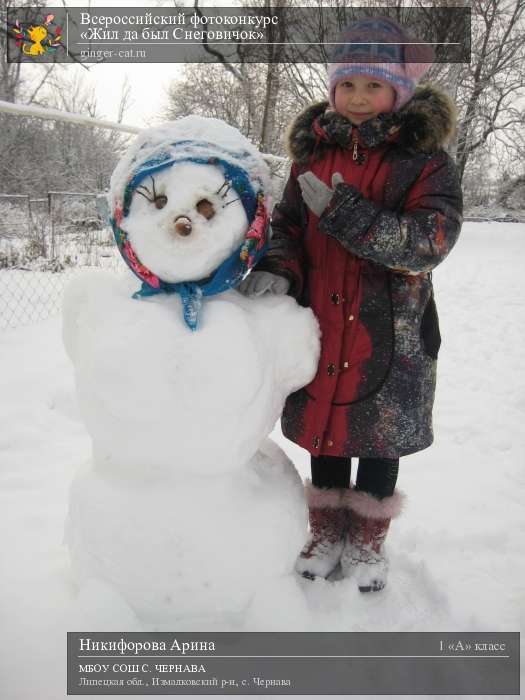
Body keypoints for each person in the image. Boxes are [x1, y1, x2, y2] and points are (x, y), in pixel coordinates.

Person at [238, 16, 463, 592]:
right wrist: (277, 271)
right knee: (325, 431)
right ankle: (325, 531)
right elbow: (286, 227)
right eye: (348, 85)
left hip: (390, 332)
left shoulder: (427, 162)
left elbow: (427, 242)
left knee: (379, 437)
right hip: (321, 322)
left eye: (373, 85)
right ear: (332, 88)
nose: (359, 98)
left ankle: (367, 543)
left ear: (398, 92)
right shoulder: (312, 156)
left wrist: (344, 213)